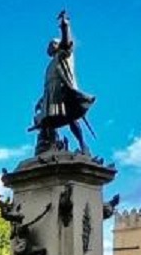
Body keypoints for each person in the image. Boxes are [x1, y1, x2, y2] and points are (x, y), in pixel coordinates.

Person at [30, 9, 96, 154]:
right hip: (50, 93)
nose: (50, 46)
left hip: (62, 91)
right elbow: (48, 83)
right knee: (48, 121)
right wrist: (41, 100)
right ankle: (50, 146)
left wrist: (65, 27)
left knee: (71, 118)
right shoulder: (50, 65)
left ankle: (83, 145)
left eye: (52, 43)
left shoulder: (63, 55)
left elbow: (67, 43)